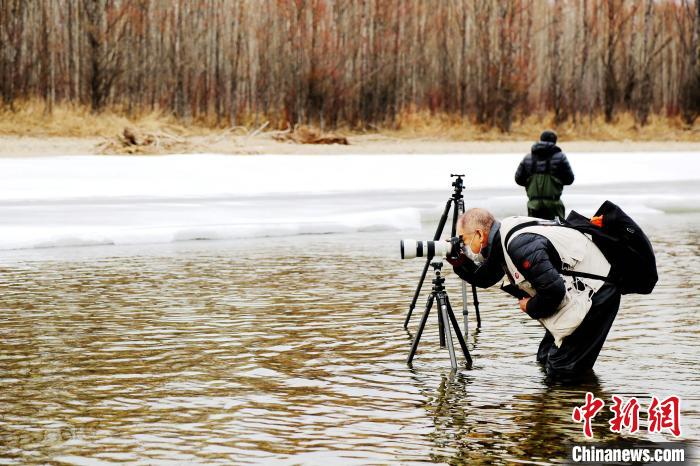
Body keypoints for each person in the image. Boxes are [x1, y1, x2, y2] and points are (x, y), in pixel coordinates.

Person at [446, 207, 621, 377]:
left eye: (464, 240)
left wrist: (529, 306)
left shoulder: (519, 245)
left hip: (598, 293)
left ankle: (576, 401)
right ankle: (570, 397)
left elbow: (554, 291)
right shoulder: (502, 236)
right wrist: (460, 262)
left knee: (562, 369)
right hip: (582, 291)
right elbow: (486, 277)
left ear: (479, 234)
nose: (463, 245)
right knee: (544, 358)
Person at [515, 130, 574, 220]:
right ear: (554, 142)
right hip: (554, 206)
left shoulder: (528, 158)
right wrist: (556, 181)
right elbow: (570, 179)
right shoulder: (561, 157)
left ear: (540, 139)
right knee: (556, 231)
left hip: (533, 205)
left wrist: (531, 184)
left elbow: (518, 179)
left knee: (534, 231)